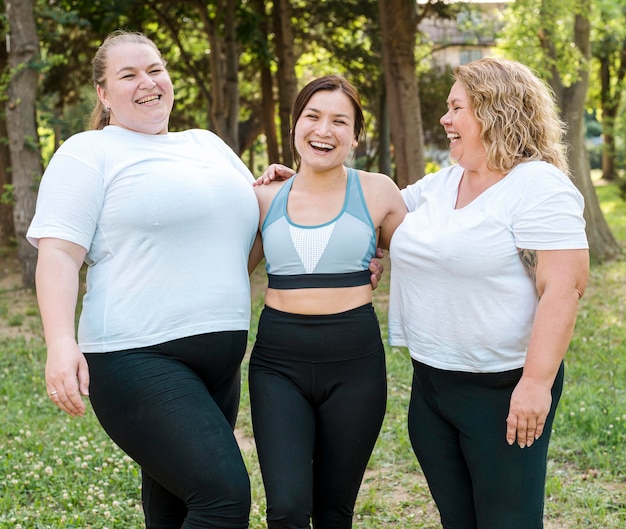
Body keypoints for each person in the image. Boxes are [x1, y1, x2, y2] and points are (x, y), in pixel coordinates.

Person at [27, 30, 257, 529]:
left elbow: (249, 239)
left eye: (154, 69)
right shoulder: (88, 152)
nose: (147, 82)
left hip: (218, 360)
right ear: (105, 95)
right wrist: (60, 344)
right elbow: (60, 256)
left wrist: (285, 194)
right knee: (223, 497)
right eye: (128, 75)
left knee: (175, 507)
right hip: (136, 355)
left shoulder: (209, 146)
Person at [388, 57, 589, 528]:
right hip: (432, 385)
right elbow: (379, 213)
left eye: (456, 108)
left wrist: (536, 384)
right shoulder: (443, 183)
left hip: (503, 390)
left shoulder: (538, 186)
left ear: (494, 112)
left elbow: (564, 285)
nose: (445, 119)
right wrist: (299, 183)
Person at [247, 75, 407, 529]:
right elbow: (227, 272)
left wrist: (379, 261)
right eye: (313, 116)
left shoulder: (378, 192)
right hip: (278, 364)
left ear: (355, 136)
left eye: (340, 121)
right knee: (288, 509)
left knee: (336, 511)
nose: (324, 130)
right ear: (295, 124)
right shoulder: (262, 197)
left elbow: (426, 258)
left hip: (355, 362)